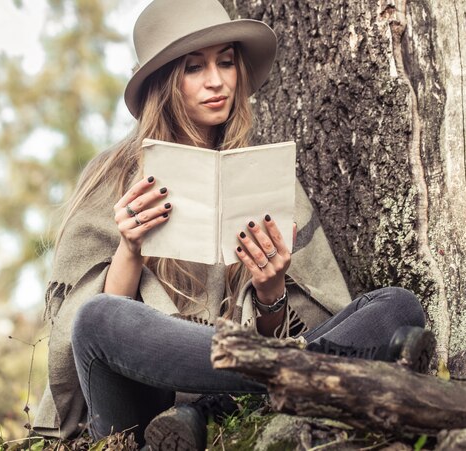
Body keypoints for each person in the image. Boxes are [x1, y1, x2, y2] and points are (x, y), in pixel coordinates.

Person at [32, 0, 435, 449]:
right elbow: (86, 343)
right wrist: (129, 249)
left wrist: (270, 291)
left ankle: (213, 407)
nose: (217, 81)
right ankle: (285, 381)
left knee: (397, 307)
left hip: (244, 382)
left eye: (226, 62)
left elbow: (303, 316)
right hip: (140, 410)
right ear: (165, 83)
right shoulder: (112, 177)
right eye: (193, 67)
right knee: (98, 316)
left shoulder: (266, 177)